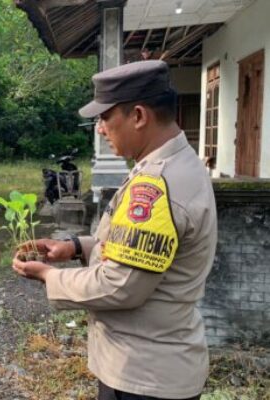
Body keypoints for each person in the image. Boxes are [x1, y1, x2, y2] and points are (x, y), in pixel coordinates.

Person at [12, 61, 217, 400]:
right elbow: (129, 248)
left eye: (105, 118)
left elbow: (120, 285)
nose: (100, 130)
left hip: (144, 376)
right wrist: (75, 247)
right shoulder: (164, 166)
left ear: (138, 116)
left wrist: (49, 276)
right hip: (148, 367)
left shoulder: (158, 183)